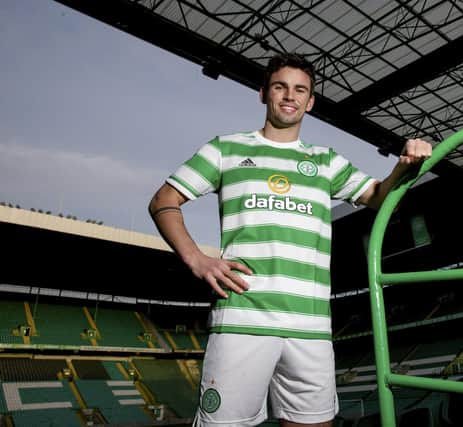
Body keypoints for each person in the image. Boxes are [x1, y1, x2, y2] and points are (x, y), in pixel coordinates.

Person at [148, 52, 432, 427]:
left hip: (311, 325)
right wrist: (197, 258)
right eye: (280, 87)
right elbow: (164, 201)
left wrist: (405, 164)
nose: (290, 96)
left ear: (310, 102)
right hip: (243, 319)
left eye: (300, 90)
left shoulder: (326, 161)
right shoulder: (225, 149)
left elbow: (377, 197)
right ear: (263, 93)